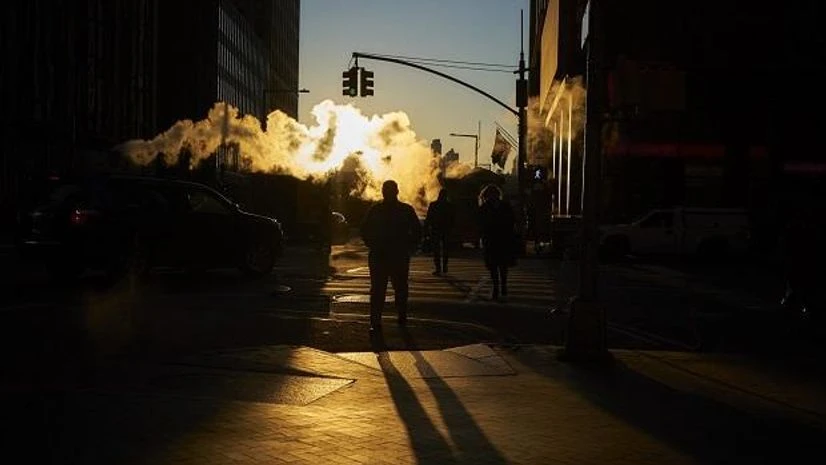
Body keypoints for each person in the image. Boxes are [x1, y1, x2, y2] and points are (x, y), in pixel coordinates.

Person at [360, 180, 422, 332]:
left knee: (379, 290)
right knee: (398, 288)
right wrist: (409, 246)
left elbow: (364, 230)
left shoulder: (376, 210)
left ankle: (377, 321)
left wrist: (373, 245)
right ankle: (399, 318)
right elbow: (417, 231)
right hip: (396, 254)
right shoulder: (404, 210)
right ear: (397, 191)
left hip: (382, 255)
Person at [478, 183, 515, 300]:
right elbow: (512, 221)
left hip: (492, 240)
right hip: (502, 239)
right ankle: (501, 286)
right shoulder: (505, 206)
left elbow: (480, 225)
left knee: (494, 265)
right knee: (501, 265)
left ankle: (497, 288)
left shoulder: (484, 208)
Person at [424, 188, 455, 275]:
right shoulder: (449, 206)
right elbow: (453, 219)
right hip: (446, 229)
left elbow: (429, 218)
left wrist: (426, 229)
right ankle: (444, 266)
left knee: (436, 250)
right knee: (445, 249)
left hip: (436, 229)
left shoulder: (434, 205)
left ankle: (438, 268)